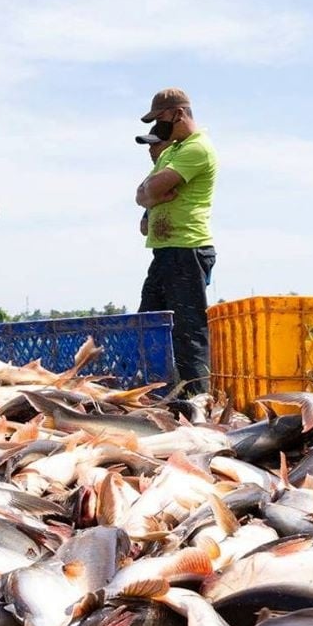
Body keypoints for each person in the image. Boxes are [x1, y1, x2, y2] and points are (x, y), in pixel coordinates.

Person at [134, 88, 217, 395]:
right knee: (149, 325)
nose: (157, 126)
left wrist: (151, 194)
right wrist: (151, 196)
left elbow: (151, 188)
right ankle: (161, 396)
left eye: (161, 119)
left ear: (179, 115)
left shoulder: (197, 148)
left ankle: (198, 402)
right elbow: (143, 193)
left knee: (188, 332)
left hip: (187, 249)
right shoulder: (173, 151)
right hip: (165, 252)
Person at [134, 124, 172, 236]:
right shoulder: (157, 171)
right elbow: (144, 227)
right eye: (150, 146)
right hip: (163, 246)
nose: (150, 150)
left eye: (156, 144)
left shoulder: (179, 168)